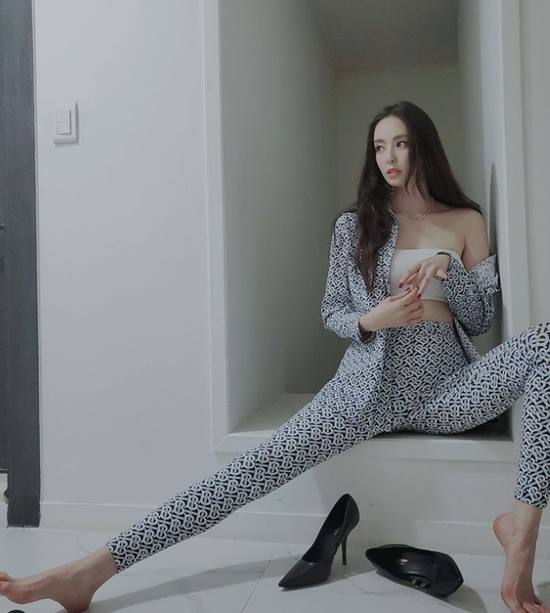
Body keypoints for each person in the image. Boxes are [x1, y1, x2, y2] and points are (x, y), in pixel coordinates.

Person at [1, 100, 549, 613]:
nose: (389, 157)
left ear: (423, 146)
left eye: (401, 143)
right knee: (248, 471)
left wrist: (448, 271)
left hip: (447, 391)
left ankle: (520, 530)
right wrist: (371, 320)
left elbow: (480, 320)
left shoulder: (465, 220)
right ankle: (91, 570)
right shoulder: (356, 224)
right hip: (366, 392)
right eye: (380, 146)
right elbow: (333, 311)